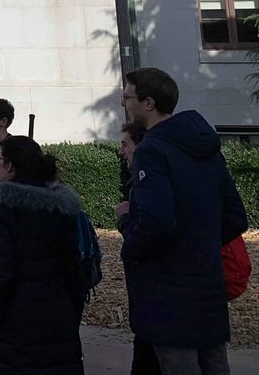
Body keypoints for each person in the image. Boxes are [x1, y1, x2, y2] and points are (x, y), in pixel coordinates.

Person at [117, 67, 247, 375]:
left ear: (148, 103)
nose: (124, 104)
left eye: (127, 97)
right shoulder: (207, 147)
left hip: (168, 294)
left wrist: (127, 231)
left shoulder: (152, 150)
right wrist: (198, 243)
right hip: (207, 286)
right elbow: (234, 215)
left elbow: (156, 223)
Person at [0, 136, 86, 375]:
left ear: (9, 166)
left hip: (15, 326)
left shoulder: (5, 208)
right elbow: (74, 268)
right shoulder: (62, 208)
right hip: (58, 318)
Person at [117, 120, 161, 375]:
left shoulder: (146, 187)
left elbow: (145, 237)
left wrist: (124, 219)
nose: (121, 152)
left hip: (154, 301)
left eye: (125, 144)